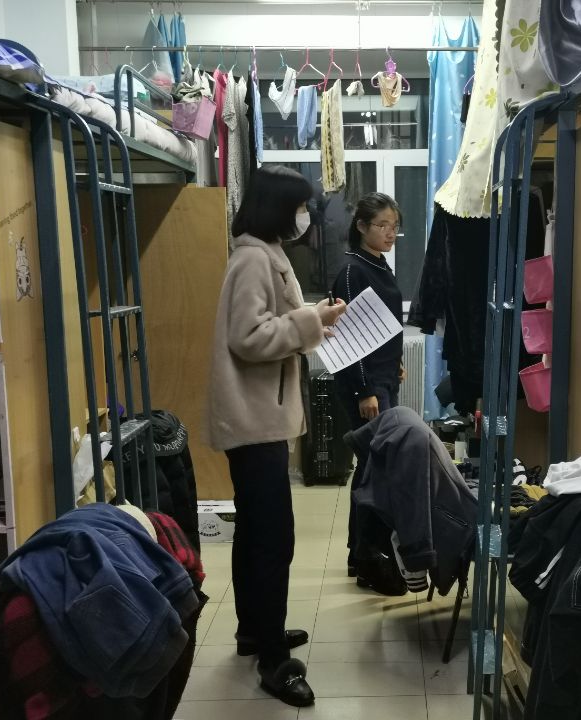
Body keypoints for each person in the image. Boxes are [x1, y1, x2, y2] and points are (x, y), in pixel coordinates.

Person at [207, 165, 345, 708]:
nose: (305, 217)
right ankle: (272, 660)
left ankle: (255, 630)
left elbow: (270, 324)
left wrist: (313, 319)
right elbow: (247, 336)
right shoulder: (252, 259)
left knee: (257, 533)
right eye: (300, 207)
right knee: (273, 539)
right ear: (279, 208)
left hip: (259, 415)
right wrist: (309, 320)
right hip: (252, 419)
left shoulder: (265, 252)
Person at [331, 192, 404, 581]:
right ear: (361, 226)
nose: (390, 233)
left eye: (394, 226)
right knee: (374, 469)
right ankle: (364, 555)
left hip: (383, 378)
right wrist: (365, 391)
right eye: (382, 225)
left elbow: (381, 326)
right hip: (366, 385)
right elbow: (349, 337)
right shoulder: (352, 270)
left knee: (377, 467)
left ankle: (361, 552)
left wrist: (396, 362)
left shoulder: (378, 264)